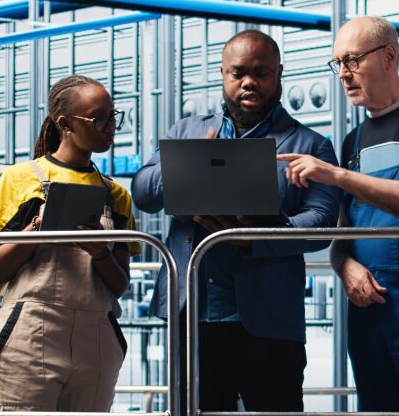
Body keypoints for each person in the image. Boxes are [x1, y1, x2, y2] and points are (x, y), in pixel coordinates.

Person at [132, 30, 341, 411]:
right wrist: (191, 163)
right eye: (238, 72)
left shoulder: (310, 145)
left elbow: (323, 223)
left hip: (269, 321)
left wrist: (257, 238)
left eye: (261, 72)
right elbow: (144, 194)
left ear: (279, 74)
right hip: (192, 314)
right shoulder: (187, 131)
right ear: (224, 75)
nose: (250, 82)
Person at [277, 16, 399, 412]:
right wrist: (344, 266)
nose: (344, 74)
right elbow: (343, 235)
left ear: (389, 56)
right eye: (338, 64)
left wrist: (337, 175)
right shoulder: (354, 141)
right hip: (369, 310)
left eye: (352, 60)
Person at [0, 75, 140, 412]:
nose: (110, 126)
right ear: (65, 124)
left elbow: (120, 283)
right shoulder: (21, 179)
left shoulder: (116, 195)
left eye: (113, 115)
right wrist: (34, 233)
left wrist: (101, 254)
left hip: (95, 341)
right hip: (29, 334)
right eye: (99, 117)